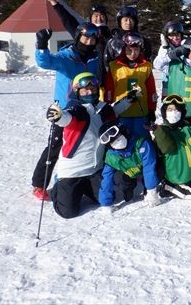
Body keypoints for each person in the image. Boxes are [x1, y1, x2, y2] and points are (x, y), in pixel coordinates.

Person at [44, 72, 136, 218]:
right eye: (85, 90)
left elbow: (114, 110)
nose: (89, 92)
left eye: (92, 89)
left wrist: (129, 100)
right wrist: (58, 116)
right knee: (67, 212)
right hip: (72, 171)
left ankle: (86, 187)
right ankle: (59, 187)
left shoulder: (102, 109)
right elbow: (67, 118)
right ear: (77, 91)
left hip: (94, 169)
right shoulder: (76, 109)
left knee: (110, 198)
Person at [31, 22, 100, 200]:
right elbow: (44, 62)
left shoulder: (95, 58)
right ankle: (40, 184)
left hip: (87, 110)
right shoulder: (66, 57)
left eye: (93, 38)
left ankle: (84, 179)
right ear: (78, 37)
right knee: (55, 145)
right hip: (65, 110)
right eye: (86, 37)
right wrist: (41, 45)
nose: (89, 41)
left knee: (82, 145)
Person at [97, 120, 161, 211]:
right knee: (125, 186)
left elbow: (149, 167)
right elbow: (106, 179)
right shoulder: (111, 157)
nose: (117, 141)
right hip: (130, 173)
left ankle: (148, 190)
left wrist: (151, 191)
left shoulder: (142, 143)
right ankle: (127, 189)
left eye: (118, 136)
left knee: (158, 170)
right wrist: (105, 203)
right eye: (112, 142)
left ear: (124, 131)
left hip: (145, 168)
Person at [104, 31, 158, 139]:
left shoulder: (146, 66)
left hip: (141, 113)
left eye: (136, 50)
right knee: (124, 141)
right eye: (129, 50)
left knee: (142, 141)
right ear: (124, 49)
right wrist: (108, 107)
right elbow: (109, 89)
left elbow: (151, 89)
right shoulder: (114, 66)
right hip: (121, 113)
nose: (133, 54)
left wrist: (152, 109)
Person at [151, 94, 191, 199]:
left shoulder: (189, 129)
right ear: (164, 112)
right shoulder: (162, 131)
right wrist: (157, 131)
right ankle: (168, 186)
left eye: (176, 109)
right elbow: (166, 148)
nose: (173, 112)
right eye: (169, 109)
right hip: (174, 175)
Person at [153, 20, 185, 98]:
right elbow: (157, 65)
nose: (175, 38)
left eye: (177, 35)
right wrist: (165, 49)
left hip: (183, 85)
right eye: (171, 35)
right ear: (167, 37)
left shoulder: (185, 47)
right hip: (168, 86)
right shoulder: (165, 49)